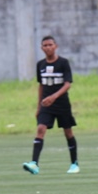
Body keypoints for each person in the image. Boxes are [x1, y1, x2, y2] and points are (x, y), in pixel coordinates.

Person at [22, 35, 80, 175]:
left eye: (50, 45)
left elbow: (67, 84)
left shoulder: (63, 63)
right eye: (45, 45)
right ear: (42, 48)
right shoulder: (40, 65)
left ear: (56, 46)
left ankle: (74, 164)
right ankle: (34, 164)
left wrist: (54, 97)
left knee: (68, 132)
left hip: (62, 104)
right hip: (46, 105)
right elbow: (41, 85)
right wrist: (39, 107)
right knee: (40, 129)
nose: (48, 47)